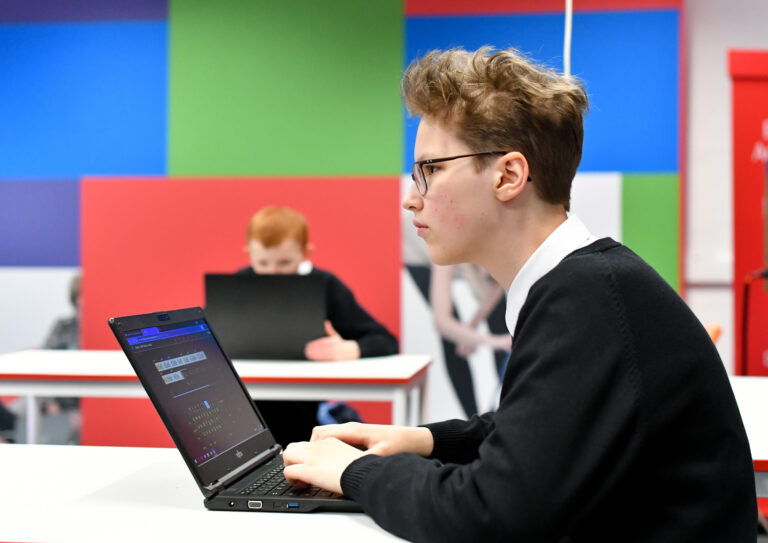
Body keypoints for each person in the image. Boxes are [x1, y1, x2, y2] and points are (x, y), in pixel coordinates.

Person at [281, 47, 757, 542]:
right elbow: (537, 432)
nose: (411, 196)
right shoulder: (587, 282)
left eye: (431, 168)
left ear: (508, 176)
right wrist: (424, 441)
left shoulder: (586, 299)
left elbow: (490, 515)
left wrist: (352, 473)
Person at [238, 206, 398, 446]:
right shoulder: (237, 287)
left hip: (303, 415)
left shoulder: (325, 285)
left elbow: (385, 340)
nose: (272, 272)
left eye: (284, 263)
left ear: (305, 253)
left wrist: (350, 349)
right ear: (248, 253)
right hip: (246, 412)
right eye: (262, 263)